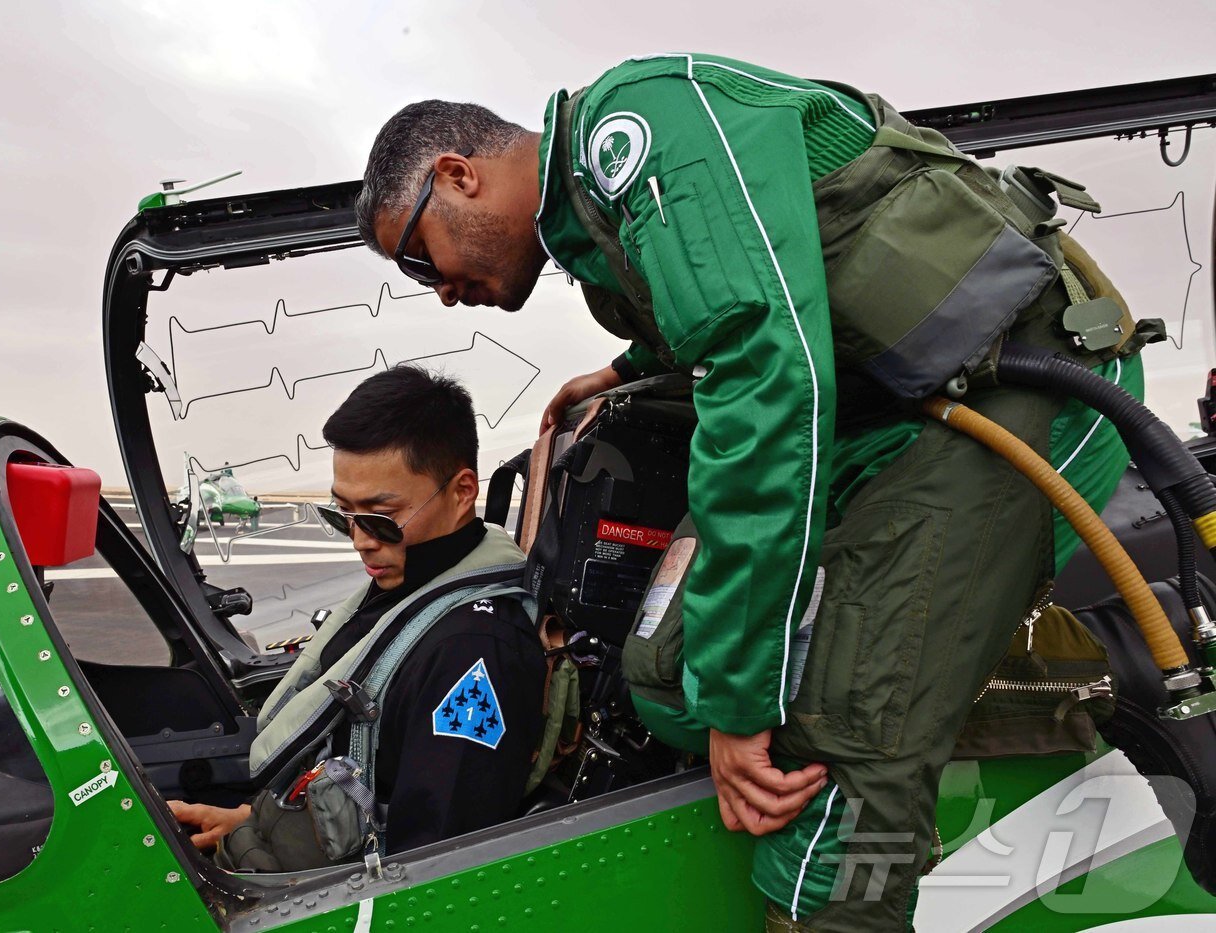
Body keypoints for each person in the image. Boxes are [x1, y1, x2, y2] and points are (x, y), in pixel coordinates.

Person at [353, 54, 1144, 930]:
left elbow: (767, 378)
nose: (441, 294)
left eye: (420, 258)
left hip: (1025, 391)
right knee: (665, 675)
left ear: (457, 175)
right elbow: (752, 288)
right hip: (881, 415)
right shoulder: (595, 222)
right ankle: (919, 675)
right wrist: (622, 369)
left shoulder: (638, 129)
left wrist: (742, 709)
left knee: (851, 726)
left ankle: (875, 778)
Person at [170, 366, 546, 869]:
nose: (360, 541)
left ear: (461, 493)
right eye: (343, 515)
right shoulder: (407, 590)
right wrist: (250, 822)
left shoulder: (473, 653)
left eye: (380, 517)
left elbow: (434, 868)